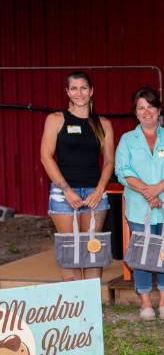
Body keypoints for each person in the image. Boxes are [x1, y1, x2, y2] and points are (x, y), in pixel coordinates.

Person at [40, 70, 115, 281]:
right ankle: (75, 306)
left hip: (95, 192)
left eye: (83, 88)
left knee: (92, 251)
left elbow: (109, 161)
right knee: (70, 253)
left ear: (91, 91)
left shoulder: (104, 124)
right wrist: (67, 190)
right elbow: (46, 157)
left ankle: (91, 306)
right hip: (64, 193)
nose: (79, 93)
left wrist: (100, 190)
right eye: (74, 88)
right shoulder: (55, 119)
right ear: (67, 92)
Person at [115, 87, 164, 321]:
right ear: (135, 112)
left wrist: (158, 189)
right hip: (138, 206)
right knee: (140, 253)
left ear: (159, 109)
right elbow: (123, 171)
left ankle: (163, 302)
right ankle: (145, 303)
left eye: (150, 106)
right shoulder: (127, 140)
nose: (146, 112)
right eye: (141, 107)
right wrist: (147, 191)